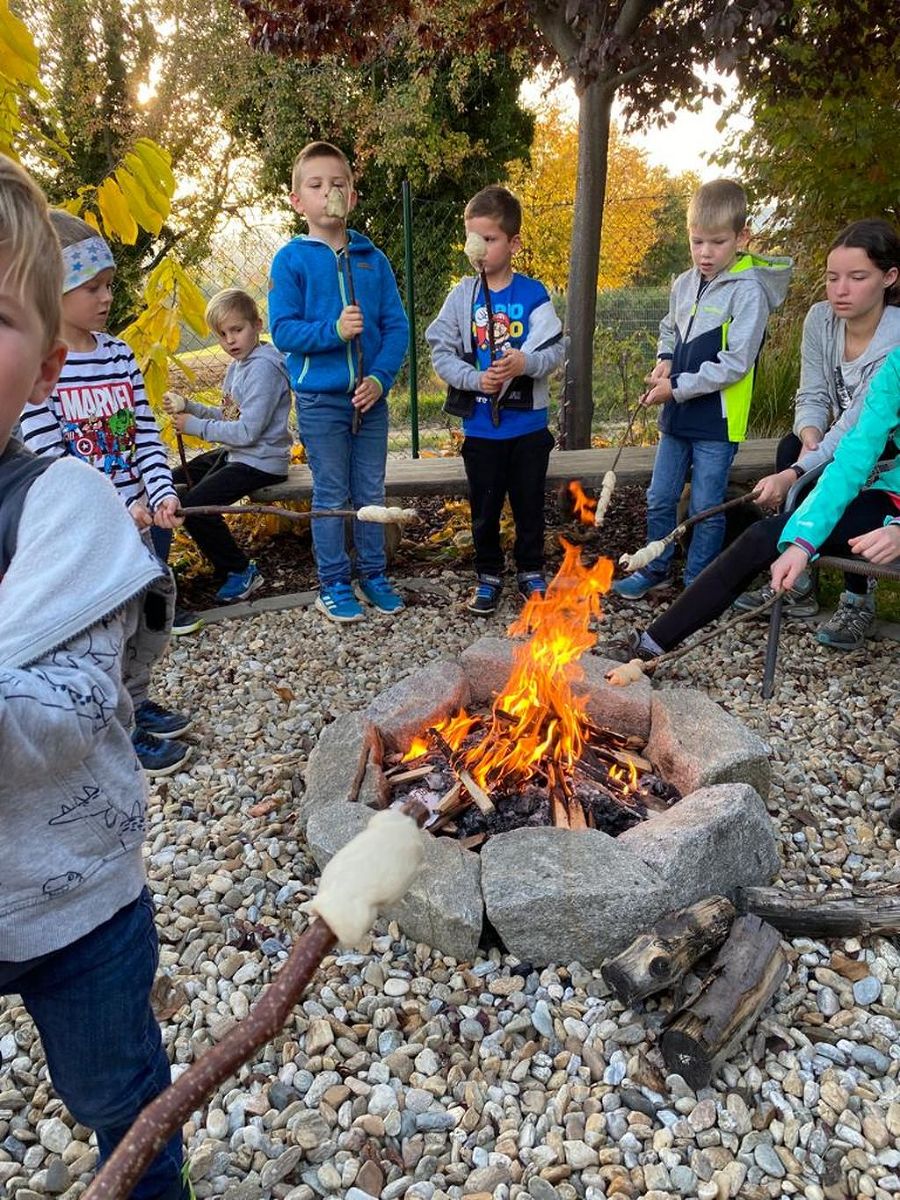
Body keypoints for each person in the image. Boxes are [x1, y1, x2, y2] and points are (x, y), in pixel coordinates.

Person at [0, 154, 189, 1200]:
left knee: (126, 1103)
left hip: (80, 908)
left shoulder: (54, 508)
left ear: (40, 371)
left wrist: (153, 498)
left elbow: (74, 708)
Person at [18, 210, 191, 776]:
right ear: (51, 289)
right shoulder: (43, 367)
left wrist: (161, 492)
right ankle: (119, 728)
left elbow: (145, 432)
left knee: (149, 624)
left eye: (109, 285)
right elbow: (54, 461)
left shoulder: (117, 355)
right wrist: (119, 510)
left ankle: (136, 703)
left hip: (146, 523)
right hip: (94, 531)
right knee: (106, 632)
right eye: (90, 287)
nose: (105, 297)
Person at [610, 345, 900, 668]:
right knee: (762, 536)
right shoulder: (896, 366)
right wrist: (801, 541)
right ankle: (651, 644)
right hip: (891, 497)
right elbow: (853, 457)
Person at [612, 179, 793, 600]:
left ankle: (699, 583)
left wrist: (675, 387)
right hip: (677, 416)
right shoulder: (684, 282)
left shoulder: (748, 292)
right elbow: (669, 327)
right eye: (697, 242)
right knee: (660, 497)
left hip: (718, 420)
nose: (705, 253)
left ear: (742, 237)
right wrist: (665, 358)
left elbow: (734, 364)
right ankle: (653, 567)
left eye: (717, 242)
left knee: (706, 507)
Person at [733, 219, 900, 647]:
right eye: (832, 277)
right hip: (836, 435)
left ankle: (856, 599)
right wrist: (808, 433)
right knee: (791, 445)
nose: (840, 289)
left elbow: (859, 430)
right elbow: (812, 391)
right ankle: (799, 576)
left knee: (845, 481)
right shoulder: (820, 320)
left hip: (880, 444)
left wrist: (801, 468)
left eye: (857, 277)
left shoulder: (895, 340)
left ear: (889, 277)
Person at [268, 140, 409, 624]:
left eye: (338, 184)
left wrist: (379, 378)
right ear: (297, 201)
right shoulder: (292, 260)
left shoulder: (373, 259)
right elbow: (283, 330)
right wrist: (333, 332)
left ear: (351, 197)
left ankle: (373, 574)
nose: (328, 191)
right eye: (316, 184)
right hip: (320, 399)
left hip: (369, 399)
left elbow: (396, 327)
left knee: (370, 489)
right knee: (331, 493)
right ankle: (332, 582)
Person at [425, 185, 564, 614]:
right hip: (481, 428)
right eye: (474, 237)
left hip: (528, 427)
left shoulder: (532, 294)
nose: (480, 248)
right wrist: (473, 379)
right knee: (484, 508)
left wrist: (526, 363)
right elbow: (439, 349)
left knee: (528, 507)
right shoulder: (461, 296)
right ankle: (487, 575)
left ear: (513, 243)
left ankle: (530, 570)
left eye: (490, 239)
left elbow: (556, 350)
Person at [162, 288, 292, 601]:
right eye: (222, 334)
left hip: (262, 461)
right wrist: (189, 406)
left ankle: (240, 570)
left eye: (237, 330)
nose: (230, 340)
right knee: (173, 479)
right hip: (240, 454)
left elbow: (247, 431)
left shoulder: (263, 368)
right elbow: (228, 415)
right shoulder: (238, 366)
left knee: (195, 506)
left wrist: (194, 426)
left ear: (257, 325)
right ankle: (181, 558)